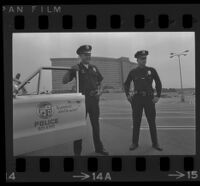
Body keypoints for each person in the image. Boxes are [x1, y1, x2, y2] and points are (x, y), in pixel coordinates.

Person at [62, 45, 109, 155]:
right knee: (79, 127)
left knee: (96, 126)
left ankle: (99, 148)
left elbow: (101, 82)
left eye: (89, 54)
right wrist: (70, 71)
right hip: (81, 102)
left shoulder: (94, 68)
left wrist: (100, 91)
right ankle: (77, 152)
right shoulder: (76, 68)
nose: (88, 56)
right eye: (86, 54)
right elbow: (64, 81)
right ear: (80, 55)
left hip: (94, 100)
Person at [124, 50, 163, 151]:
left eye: (145, 58)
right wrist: (127, 95)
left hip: (149, 99)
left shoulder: (151, 70)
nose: (144, 60)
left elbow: (158, 82)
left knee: (151, 122)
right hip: (137, 99)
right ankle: (134, 143)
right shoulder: (133, 72)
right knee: (136, 121)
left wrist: (158, 96)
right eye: (142, 58)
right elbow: (126, 83)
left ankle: (155, 143)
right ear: (137, 60)